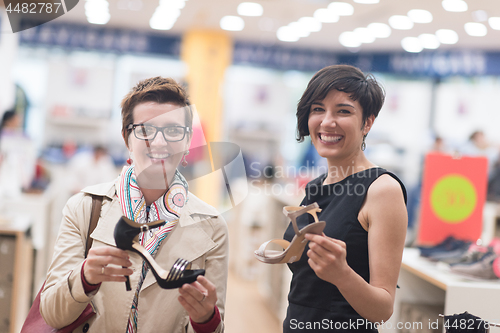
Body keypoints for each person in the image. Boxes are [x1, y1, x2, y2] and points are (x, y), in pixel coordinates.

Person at [40, 77, 229, 333]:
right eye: (145, 129)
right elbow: (52, 314)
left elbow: (215, 328)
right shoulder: (85, 208)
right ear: (127, 138)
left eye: (173, 131)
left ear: (187, 142)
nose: (159, 142)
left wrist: (207, 320)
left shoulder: (212, 226)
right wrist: (84, 278)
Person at [283, 65, 407, 332]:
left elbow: (382, 310)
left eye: (343, 111)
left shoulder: (382, 190)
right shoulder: (316, 186)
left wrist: (342, 275)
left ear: (367, 123)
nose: (327, 121)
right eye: (318, 109)